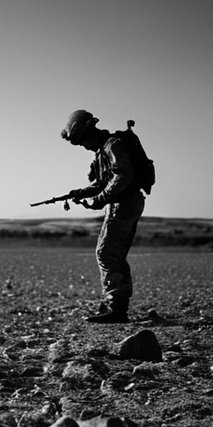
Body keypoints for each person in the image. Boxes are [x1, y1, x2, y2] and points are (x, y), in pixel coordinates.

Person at [60, 109, 146, 324]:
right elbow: (103, 182)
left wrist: (100, 199)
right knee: (114, 254)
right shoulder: (103, 151)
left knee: (106, 253)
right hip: (127, 202)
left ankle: (116, 308)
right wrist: (82, 193)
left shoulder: (112, 146)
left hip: (124, 203)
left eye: (82, 141)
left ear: (90, 131)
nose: (83, 146)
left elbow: (124, 175)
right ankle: (114, 302)